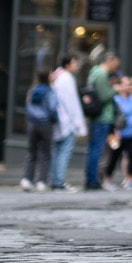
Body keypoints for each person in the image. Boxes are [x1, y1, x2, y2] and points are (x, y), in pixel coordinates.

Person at [83, 47, 120, 191]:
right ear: (109, 61)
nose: (116, 68)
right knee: (96, 150)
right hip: (102, 117)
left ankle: (91, 179)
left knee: (93, 149)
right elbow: (104, 96)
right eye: (115, 64)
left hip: (97, 117)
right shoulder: (101, 75)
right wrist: (115, 89)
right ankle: (92, 180)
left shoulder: (95, 73)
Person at [50, 52, 86, 191]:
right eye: (74, 63)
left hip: (59, 120)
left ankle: (55, 180)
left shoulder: (58, 76)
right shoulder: (66, 78)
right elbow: (71, 102)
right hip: (66, 121)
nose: (77, 65)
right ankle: (59, 181)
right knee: (64, 151)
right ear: (67, 65)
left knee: (57, 151)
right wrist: (77, 122)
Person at [20, 76, 57, 191]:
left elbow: (27, 106)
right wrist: (54, 120)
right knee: (45, 154)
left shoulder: (32, 91)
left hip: (32, 124)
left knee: (32, 152)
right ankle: (42, 181)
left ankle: (27, 179)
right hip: (46, 124)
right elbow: (53, 108)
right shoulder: (50, 92)